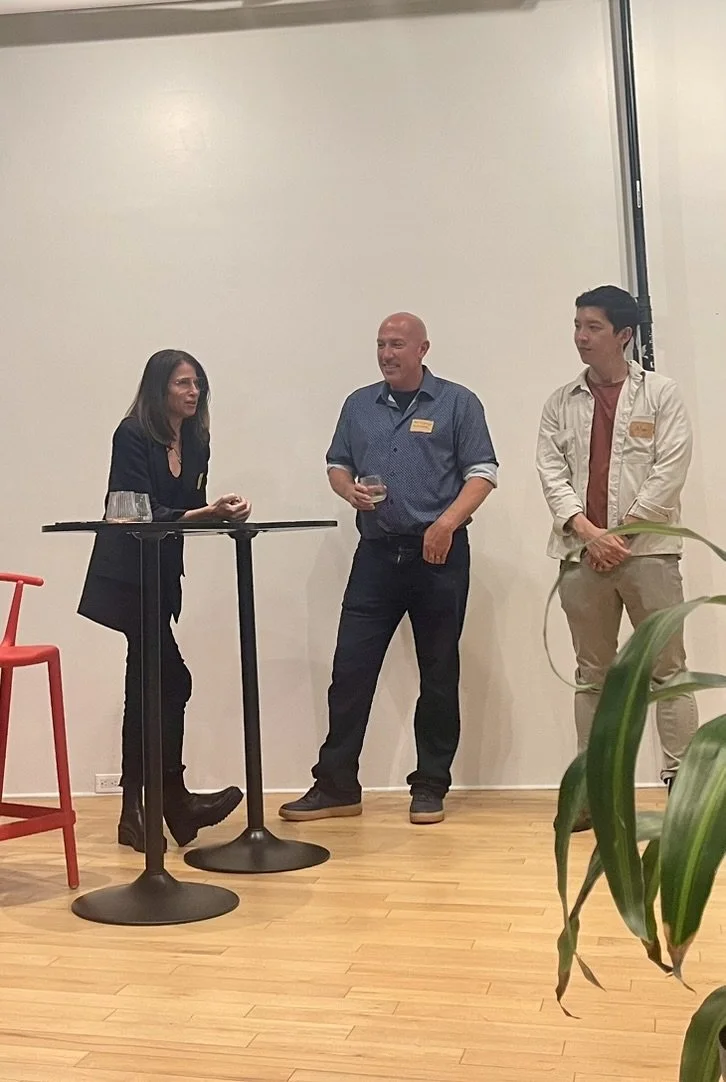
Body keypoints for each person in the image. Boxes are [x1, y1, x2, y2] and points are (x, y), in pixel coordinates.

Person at [279, 312, 498, 826]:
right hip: (377, 554)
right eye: (380, 344)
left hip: (439, 554)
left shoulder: (458, 403)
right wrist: (347, 489)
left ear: (423, 349)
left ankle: (430, 786)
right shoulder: (359, 405)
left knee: (438, 673)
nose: (386, 354)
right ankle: (336, 786)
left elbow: (483, 472)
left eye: (397, 344)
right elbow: (337, 463)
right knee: (350, 670)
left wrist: (446, 523)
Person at [536, 285, 698, 830]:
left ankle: (685, 794)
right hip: (581, 556)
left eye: (593, 327)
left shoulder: (661, 394)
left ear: (624, 335)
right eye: (577, 325)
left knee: (667, 671)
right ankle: (593, 793)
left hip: (648, 552)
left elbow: (670, 470)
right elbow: (551, 475)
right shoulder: (561, 402)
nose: (581, 337)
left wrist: (619, 536)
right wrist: (589, 533)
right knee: (592, 675)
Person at [79, 349, 252, 852]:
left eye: (198, 384)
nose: (193, 392)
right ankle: (168, 801)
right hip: (127, 574)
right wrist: (202, 513)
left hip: (161, 574)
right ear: (160, 389)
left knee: (149, 684)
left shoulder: (196, 439)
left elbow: (188, 505)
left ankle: (141, 809)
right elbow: (134, 507)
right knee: (169, 680)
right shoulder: (132, 433)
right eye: (183, 383)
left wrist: (224, 510)